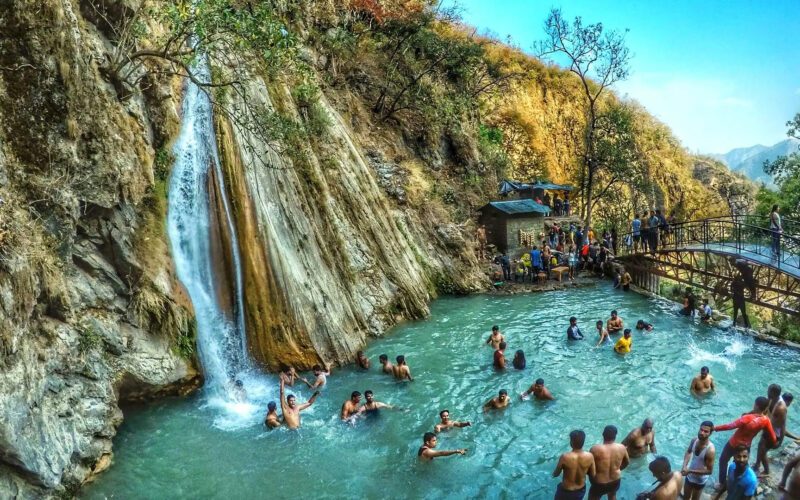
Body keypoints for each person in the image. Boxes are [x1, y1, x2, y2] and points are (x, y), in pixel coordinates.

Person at [714, 396, 776, 485]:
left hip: (733, 443)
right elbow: (773, 438)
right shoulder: (766, 420)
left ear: (756, 406)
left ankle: (722, 483)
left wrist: (715, 428)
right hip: (746, 446)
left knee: (723, 461)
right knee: (740, 464)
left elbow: (730, 426)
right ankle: (737, 481)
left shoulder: (747, 418)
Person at [755, 384, 799, 476]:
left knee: (763, 452)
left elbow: (782, 426)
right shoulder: (771, 400)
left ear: (774, 393)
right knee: (760, 447)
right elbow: (765, 414)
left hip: (774, 434)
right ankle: (757, 465)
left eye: (769, 391)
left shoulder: (781, 408)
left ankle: (766, 471)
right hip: (767, 430)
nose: (767, 393)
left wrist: (780, 441)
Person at [589, 425, 630, 500]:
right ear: (615, 436)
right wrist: (618, 469)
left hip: (599, 482)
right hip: (615, 480)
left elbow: (589, 467)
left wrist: (592, 478)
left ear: (603, 434)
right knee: (612, 496)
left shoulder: (595, 449)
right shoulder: (622, 448)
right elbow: (627, 462)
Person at [553, 430, 596, 500]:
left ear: (571, 442)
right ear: (583, 442)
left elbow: (556, 474)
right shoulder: (590, 456)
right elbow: (593, 475)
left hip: (565, 490)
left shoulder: (564, 457)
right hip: (580, 491)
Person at [681, 421, 716, 500]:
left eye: (705, 431)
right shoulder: (694, 440)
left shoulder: (710, 450)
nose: (701, 432)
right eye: (701, 429)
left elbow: (709, 471)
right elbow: (689, 451)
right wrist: (684, 466)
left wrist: (690, 471)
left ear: (710, 433)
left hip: (700, 480)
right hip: (689, 475)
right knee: (685, 497)